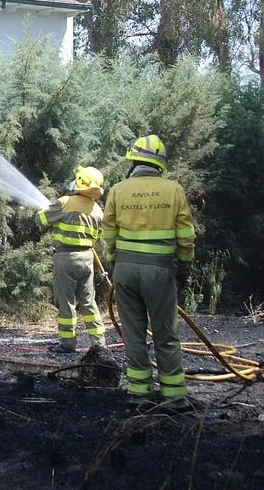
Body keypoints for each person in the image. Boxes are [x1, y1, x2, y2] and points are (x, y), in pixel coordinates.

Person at [103, 134, 196, 412]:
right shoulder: (174, 190)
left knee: (133, 334)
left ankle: (139, 395)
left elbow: (108, 234)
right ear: (160, 163)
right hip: (159, 270)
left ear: (133, 160)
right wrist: (184, 270)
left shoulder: (118, 190)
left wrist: (113, 262)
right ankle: (174, 397)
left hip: (125, 270)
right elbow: (186, 237)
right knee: (165, 334)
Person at [37, 166, 108, 354]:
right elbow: (97, 239)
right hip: (87, 259)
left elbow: (41, 220)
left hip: (66, 257)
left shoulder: (65, 202)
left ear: (80, 182)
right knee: (89, 302)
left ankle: (68, 344)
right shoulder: (98, 210)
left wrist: (47, 209)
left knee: (67, 301)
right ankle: (99, 343)